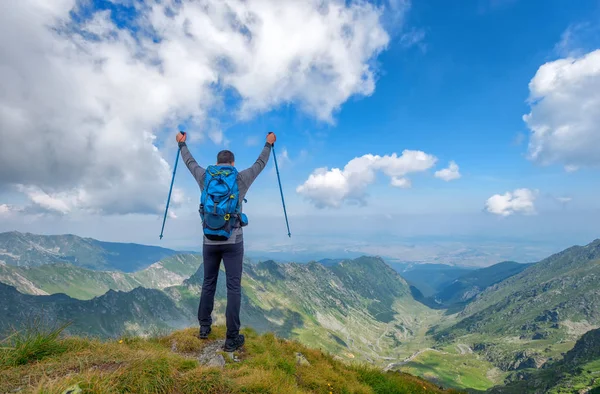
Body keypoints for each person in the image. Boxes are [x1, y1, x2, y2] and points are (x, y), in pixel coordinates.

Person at [176, 131, 276, 352]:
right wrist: (268, 144)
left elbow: (189, 162)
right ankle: (232, 338)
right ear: (232, 163)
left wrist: (182, 145)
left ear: (217, 163)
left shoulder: (205, 177)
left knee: (208, 283)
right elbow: (260, 164)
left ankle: (204, 328)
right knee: (233, 288)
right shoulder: (240, 178)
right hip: (233, 241)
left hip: (209, 240)